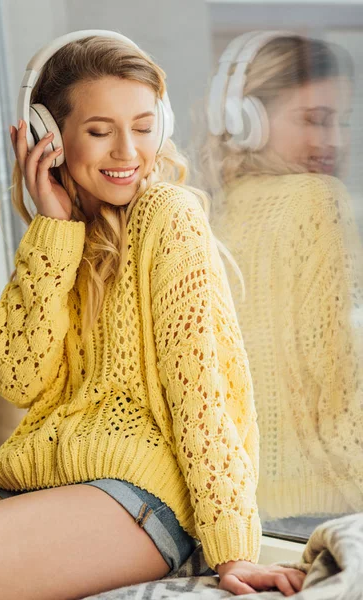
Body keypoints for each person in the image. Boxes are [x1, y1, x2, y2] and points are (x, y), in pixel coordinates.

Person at [0, 31, 305, 599]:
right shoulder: (57, 240)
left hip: (136, 493)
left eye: (144, 128)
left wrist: (234, 549)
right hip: (36, 479)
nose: (127, 152)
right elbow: (16, 377)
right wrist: (54, 233)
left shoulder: (169, 216)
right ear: (49, 136)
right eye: (100, 132)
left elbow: (203, 395)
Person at [205, 30, 363, 537]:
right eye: (313, 119)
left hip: (241, 514)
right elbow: (342, 392)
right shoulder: (317, 200)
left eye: (342, 121)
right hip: (326, 507)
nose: (334, 140)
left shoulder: (207, 208)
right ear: (246, 118)